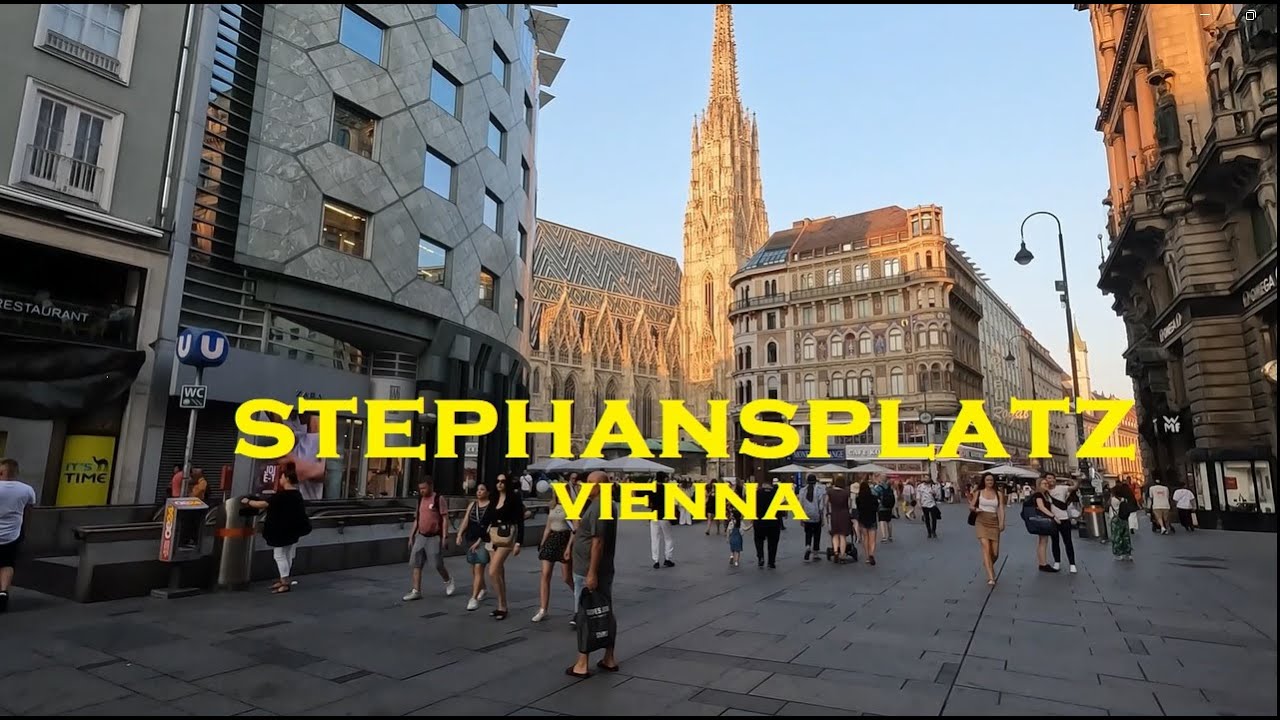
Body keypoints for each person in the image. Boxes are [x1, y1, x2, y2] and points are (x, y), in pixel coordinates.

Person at [566, 470, 619, 679]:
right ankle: (609, 658)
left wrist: (591, 573)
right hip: (601, 569)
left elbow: (597, 542)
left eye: (590, 483)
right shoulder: (604, 504)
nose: (585, 486)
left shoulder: (599, 507)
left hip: (589, 569)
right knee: (605, 612)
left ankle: (582, 663)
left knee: (585, 615)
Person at [241, 463, 311, 593]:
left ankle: (284, 582)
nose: (280, 479)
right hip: (293, 530)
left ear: (287, 479)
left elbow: (263, 504)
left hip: (281, 531)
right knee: (288, 555)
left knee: (279, 555)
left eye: (282, 477)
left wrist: (248, 502)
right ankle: (284, 579)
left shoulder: (282, 495)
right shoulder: (297, 494)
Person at [403, 477, 456, 601]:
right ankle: (416, 590)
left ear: (431, 486)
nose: (422, 491)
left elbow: (445, 519)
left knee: (437, 563)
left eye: (424, 488)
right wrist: (411, 535)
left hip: (434, 536)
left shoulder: (438, 499)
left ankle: (448, 580)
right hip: (421, 536)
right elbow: (417, 518)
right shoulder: (420, 499)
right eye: (420, 488)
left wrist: (445, 536)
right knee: (416, 563)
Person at [482, 473, 525, 620]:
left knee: (493, 571)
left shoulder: (513, 498)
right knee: (499, 573)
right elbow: (487, 517)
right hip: (493, 536)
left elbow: (520, 521)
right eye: (498, 481)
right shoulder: (494, 498)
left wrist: (519, 542)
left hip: (507, 537)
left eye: (503, 481)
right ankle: (501, 605)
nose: (500, 484)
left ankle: (503, 606)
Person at [0, 458, 37, 613]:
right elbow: (29, 512)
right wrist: (25, 530)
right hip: (12, 534)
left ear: (1, 472)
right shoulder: (27, 490)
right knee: (7, 564)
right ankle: (3, 592)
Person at [533, 489, 573, 622]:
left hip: (564, 538)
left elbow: (574, 529)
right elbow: (548, 527)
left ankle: (581, 597)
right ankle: (543, 609)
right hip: (552, 538)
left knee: (567, 577)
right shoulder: (552, 506)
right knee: (545, 574)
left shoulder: (571, 506)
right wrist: (542, 543)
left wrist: (569, 547)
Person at [454, 481, 491, 611]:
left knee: (479, 567)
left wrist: (479, 541)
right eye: (478, 489)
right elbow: (466, 520)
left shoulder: (491, 506)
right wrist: (459, 534)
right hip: (470, 538)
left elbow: (489, 526)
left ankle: (474, 598)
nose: (479, 492)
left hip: (484, 540)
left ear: (488, 492)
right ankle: (483, 588)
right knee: (474, 569)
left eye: (482, 489)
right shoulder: (472, 505)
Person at [969, 473, 1006, 586]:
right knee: (986, 547)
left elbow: (1001, 508)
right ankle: (991, 576)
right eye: (987, 480)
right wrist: (975, 509)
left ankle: (987, 563)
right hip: (981, 520)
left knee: (995, 553)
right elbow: (971, 506)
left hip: (994, 521)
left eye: (991, 480)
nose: (990, 482)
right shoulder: (979, 492)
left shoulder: (998, 494)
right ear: (984, 481)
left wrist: (1002, 522)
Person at [1044, 473, 1078, 573]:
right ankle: (1057, 562)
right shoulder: (1045, 492)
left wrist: (1076, 480)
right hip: (1052, 519)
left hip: (1064, 518)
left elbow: (1074, 487)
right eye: (1048, 478)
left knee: (1068, 542)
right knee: (1055, 542)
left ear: (1055, 479)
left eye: (1051, 478)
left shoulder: (1062, 488)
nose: (1050, 480)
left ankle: (1072, 564)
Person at [1029, 478, 1058, 573]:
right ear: (1039, 485)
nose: (1046, 485)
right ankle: (1043, 563)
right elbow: (1041, 507)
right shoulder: (1039, 495)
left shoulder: (1045, 494)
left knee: (1043, 541)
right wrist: (1053, 516)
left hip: (1043, 519)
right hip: (1042, 519)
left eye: (1047, 483)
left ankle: (1042, 562)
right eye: (1044, 484)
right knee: (1043, 541)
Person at [752, 479, 782, 568]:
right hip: (774, 523)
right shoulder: (777, 493)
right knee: (773, 542)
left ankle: (760, 557)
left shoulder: (757, 493)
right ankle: (771, 561)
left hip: (759, 522)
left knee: (758, 540)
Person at [798, 474, 827, 562]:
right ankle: (815, 553)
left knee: (808, 533)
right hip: (816, 515)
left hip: (806, 515)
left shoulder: (802, 490)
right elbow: (821, 506)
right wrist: (822, 518)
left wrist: (801, 518)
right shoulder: (819, 490)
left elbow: (800, 504)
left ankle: (808, 546)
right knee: (817, 534)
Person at [648, 473, 675, 569]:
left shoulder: (652, 488)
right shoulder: (667, 489)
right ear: (664, 479)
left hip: (654, 515)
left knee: (655, 538)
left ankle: (656, 560)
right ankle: (668, 558)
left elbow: (648, 503)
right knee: (668, 538)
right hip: (664, 516)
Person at [826, 478, 854, 564]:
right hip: (844, 515)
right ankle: (842, 555)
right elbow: (849, 505)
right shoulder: (846, 493)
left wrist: (828, 512)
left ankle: (835, 552)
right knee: (842, 536)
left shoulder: (830, 492)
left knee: (835, 534)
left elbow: (826, 502)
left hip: (834, 514)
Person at [854, 479, 880, 565]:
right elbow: (877, 508)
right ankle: (871, 554)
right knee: (872, 540)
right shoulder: (874, 498)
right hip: (872, 519)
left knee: (865, 538)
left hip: (862, 519)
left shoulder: (858, 499)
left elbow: (858, 508)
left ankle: (867, 557)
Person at [1110, 482, 1137, 561]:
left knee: (1117, 536)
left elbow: (1108, 505)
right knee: (1125, 536)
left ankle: (1118, 553)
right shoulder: (1124, 499)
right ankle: (1127, 552)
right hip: (1124, 518)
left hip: (1115, 519)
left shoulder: (1114, 500)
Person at [918, 473, 941, 538]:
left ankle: (934, 531)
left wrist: (934, 494)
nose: (926, 479)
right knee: (927, 519)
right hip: (924, 504)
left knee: (934, 518)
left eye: (927, 478)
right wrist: (919, 503)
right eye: (925, 478)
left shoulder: (933, 486)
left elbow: (938, 495)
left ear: (930, 479)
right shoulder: (920, 486)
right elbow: (918, 496)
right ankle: (929, 532)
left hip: (932, 504)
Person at [875, 477, 896, 542]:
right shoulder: (889, 488)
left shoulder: (879, 488)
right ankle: (890, 536)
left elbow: (875, 495)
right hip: (889, 507)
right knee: (889, 521)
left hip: (881, 507)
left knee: (882, 521)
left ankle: (884, 537)